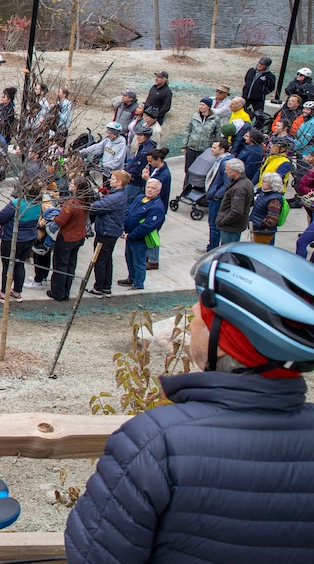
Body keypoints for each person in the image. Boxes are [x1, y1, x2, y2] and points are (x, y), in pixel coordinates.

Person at [65, 242, 314, 564]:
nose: (192, 318)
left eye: (200, 311)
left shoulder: (156, 442)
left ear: (224, 343)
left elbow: (93, 555)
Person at [0, 184, 42, 302]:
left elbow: (1, 216)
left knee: (7, 265)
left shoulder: (17, 203)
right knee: (20, 264)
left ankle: (4, 292)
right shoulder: (37, 204)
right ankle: (17, 291)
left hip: (13, 239)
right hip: (29, 238)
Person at [85, 170, 130, 297]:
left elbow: (95, 208)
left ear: (120, 182)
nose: (110, 180)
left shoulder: (115, 197)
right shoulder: (119, 195)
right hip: (111, 231)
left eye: (113, 178)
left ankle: (98, 288)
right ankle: (106, 287)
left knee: (99, 260)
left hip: (106, 232)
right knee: (107, 259)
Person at [48, 178, 93, 300]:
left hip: (67, 237)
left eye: (72, 183)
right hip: (78, 237)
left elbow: (61, 220)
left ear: (77, 188)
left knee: (60, 265)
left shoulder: (71, 203)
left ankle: (58, 293)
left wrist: (54, 216)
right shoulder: (85, 201)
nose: (70, 184)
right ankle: (66, 291)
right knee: (71, 265)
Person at [119, 178, 165, 291]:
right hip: (129, 235)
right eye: (148, 187)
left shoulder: (157, 207)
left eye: (153, 188)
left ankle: (138, 284)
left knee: (138, 261)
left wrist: (132, 235)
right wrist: (124, 229)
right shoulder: (140, 198)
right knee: (129, 258)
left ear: (158, 191)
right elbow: (128, 211)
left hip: (139, 239)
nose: (149, 190)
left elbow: (147, 226)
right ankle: (132, 278)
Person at [203, 140, 234, 251]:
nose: (212, 149)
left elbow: (227, 184)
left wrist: (216, 195)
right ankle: (211, 246)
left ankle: (212, 249)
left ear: (222, 150)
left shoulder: (225, 163)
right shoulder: (219, 160)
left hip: (217, 199)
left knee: (214, 225)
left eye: (215, 147)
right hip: (214, 197)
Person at [215, 158, 254, 246]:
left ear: (235, 171)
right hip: (237, 225)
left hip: (230, 227)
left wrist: (223, 221)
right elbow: (251, 202)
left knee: (228, 252)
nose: (225, 172)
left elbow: (236, 211)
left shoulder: (239, 188)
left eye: (227, 170)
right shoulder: (248, 183)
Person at [250, 171, 286, 245]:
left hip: (263, 233)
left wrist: (259, 225)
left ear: (272, 184)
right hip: (257, 230)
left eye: (264, 182)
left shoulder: (274, 200)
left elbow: (272, 220)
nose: (261, 183)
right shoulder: (264, 193)